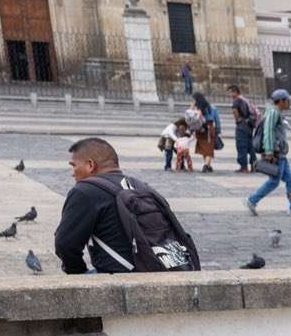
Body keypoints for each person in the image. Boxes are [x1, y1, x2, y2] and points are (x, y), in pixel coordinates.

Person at [56, 137, 199, 273]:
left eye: (74, 166)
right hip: (162, 268)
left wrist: (78, 272)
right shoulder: (142, 186)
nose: (73, 173)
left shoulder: (85, 191)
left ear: (90, 165)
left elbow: (65, 245)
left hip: (121, 277)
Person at [245, 89, 291, 216]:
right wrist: (269, 151)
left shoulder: (277, 113)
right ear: (282, 101)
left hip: (281, 154)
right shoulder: (273, 112)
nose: (289, 103)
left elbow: (286, 124)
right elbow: (268, 131)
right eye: (287, 100)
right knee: (274, 181)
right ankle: (252, 200)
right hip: (276, 154)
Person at [229, 85, 257, 173]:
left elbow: (235, 111)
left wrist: (237, 120)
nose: (230, 95)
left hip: (242, 126)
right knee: (250, 146)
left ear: (235, 92)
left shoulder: (237, 100)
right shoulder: (245, 100)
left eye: (231, 93)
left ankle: (244, 167)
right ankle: (254, 165)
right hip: (249, 125)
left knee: (241, 145)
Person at [191, 93, 219, 172]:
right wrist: (218, 130)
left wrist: (192, 107)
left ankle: (208, 166)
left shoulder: (196, 109)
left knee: (204, 148)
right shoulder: (212, 108)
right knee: (209, 148)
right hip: (209, 128)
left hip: (200, 129)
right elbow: (217, 120)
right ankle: (206, 165)